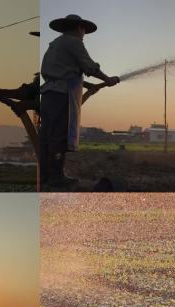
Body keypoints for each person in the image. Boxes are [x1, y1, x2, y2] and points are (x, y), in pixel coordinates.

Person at [40, 14, 120, 189]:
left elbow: (65, 71)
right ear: (78, 28)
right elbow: (89, 66)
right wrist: (107, 79)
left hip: (48, 94)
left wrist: (91, 85)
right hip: (62, 95)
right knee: (58, 138)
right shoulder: (74, 42)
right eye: (83, 29)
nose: (84, 33)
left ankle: (45, 175)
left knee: (47, 137)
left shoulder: (55, 44)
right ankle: (56, 176)